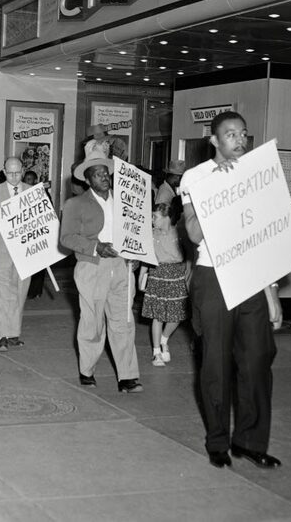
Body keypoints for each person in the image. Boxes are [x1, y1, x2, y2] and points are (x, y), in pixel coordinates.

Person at [179, 110, 282, 470]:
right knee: (216, 364)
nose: (238, 140)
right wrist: (219, 189)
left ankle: (250, 441)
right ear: (214, 141)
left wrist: (271, 293)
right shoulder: (197, 177)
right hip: (214, 276)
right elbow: (192, 233)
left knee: (257, 360)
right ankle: (218, 441)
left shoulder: (257, 175)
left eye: (243, 133)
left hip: (252, 276)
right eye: (230, 134)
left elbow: (267, 234)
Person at [60, 149, 142, 394]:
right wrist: (95, 247)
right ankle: (87, 371)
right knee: (92, 322)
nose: (103, 177)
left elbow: (137, 231)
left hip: (122, 266)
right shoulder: (76, 204)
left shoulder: (127, 200)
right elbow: (66, 237)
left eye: (105, 173)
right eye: (97, 174)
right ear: (87, 180)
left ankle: (128, 376)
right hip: (92, 266)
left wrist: (136, 254)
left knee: (123, 322)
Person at [0, 157, 31, 352]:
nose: (14, 177)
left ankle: (14, 334)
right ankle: (3, 335)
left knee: (20, 293)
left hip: (26, 253)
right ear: (3, 172)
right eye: (10, 173)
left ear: (23, 170)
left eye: (17, 173)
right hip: (1, 253)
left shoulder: (32, 191)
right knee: (3, 295)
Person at [139, 200, 189, 367]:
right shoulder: (151, 235)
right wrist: (142, 276)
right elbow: (146, 257)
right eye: (152, 217)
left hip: (176, 275)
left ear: (167, 217)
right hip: (158, 274)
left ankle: (164, 339)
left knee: (177, 315)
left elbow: (189, 256)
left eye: (156, 217)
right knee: (158, 316)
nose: (153, 220)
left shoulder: (179, 233)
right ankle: (156, 352)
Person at [22, 170, 46, 300]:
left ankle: (36, 290)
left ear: (35, 181)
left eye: (30, 179)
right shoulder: (19, 194)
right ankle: (26, 289)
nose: (27, 181)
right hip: (25, 234)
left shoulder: (42, 193)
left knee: (39, 264)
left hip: (38, 233)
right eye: (25, 179)